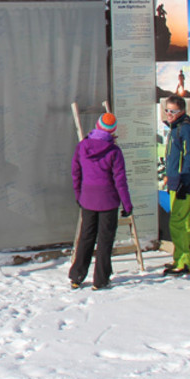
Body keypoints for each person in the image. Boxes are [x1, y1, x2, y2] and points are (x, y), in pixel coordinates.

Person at [69, 112, 133, 290]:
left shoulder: (83, 146)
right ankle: (100, 279)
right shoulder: (114, 151)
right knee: (105, 240)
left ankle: (77, 276)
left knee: (86, 237)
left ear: (97, 126)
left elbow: (76, 173)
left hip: (88, 199)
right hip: (108, 201)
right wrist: (127, 205)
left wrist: (78, 195)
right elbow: (120, 181)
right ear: (112, 132)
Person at [161, 95, 190, 276]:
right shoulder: (176, 127)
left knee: (179, 222)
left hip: (183, 184)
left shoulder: (185, 129)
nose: (169, 114)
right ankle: (180, 259)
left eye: (173, 111)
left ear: (182, 111)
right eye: (167, 110)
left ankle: (184, 261)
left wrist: (184, 180)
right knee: (179, 221)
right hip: (176, 182)